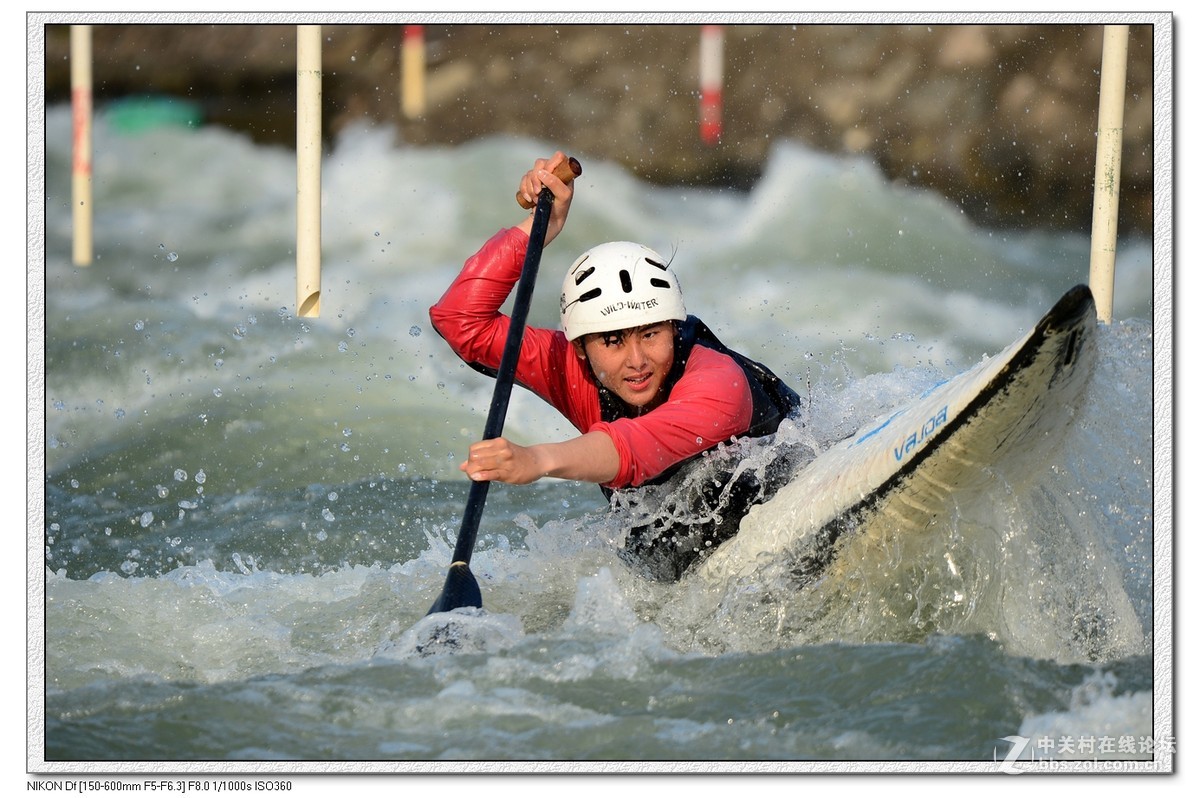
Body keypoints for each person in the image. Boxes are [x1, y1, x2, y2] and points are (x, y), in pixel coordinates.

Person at [429, 152, 805, 581]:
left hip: (780, 495)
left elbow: (633, 447)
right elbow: (460, 321)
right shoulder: (569, 367)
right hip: (678, 555)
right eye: (613, 341)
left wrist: (537, 460)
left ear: (673, 327)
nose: (638, 360)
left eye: (651, 334)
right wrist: (539, 228)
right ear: (582, 348)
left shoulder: (720, 384)